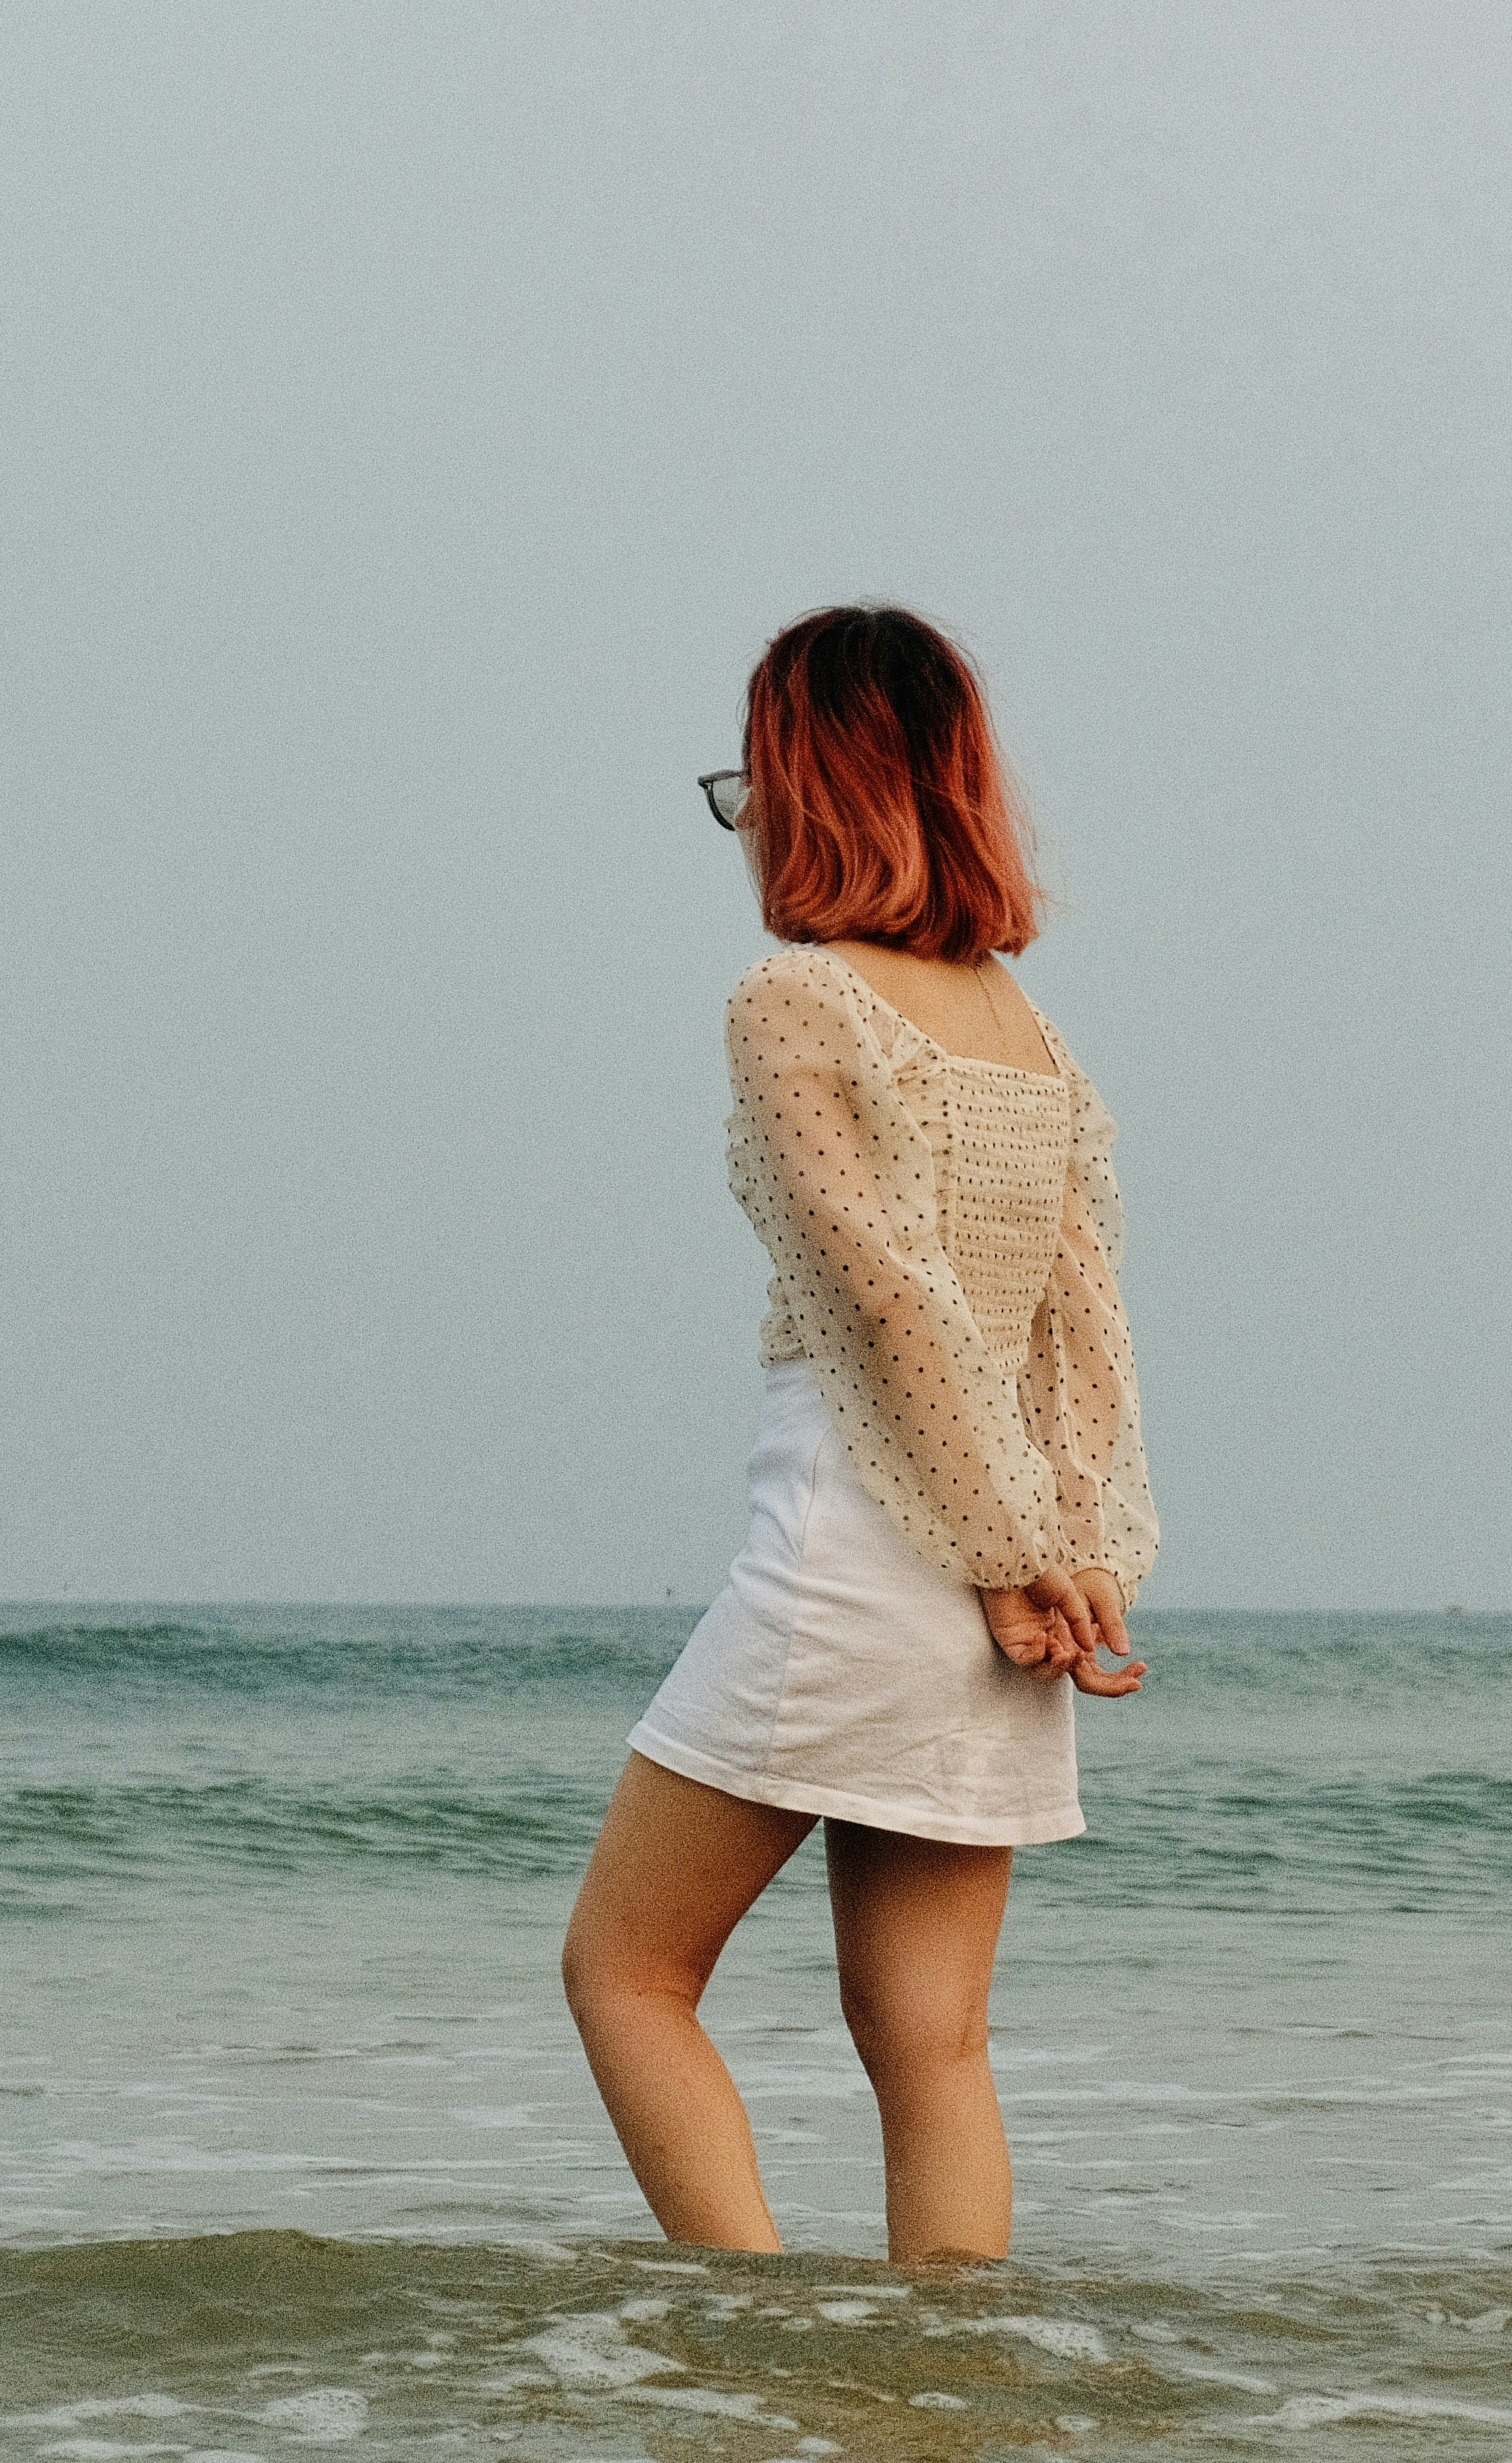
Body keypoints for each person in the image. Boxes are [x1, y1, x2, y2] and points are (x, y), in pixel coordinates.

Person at [563, 605, 1161, 2263]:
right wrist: (1071, 1554)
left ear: (807, 780)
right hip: (995, 1585)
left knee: (621, 1972)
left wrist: (1003, 1556)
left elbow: (889, 1306)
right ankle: (934, 2410)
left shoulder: (796, 1003)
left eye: (746, 778)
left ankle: (754, 2355)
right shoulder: (1020, 1030)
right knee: (931, 2046)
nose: (741, 816)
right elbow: (1076, 1324)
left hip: (862, 1551)